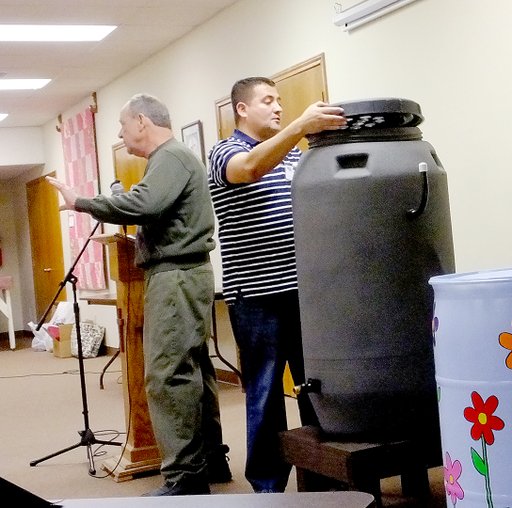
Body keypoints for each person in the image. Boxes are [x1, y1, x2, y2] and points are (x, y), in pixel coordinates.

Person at [47, 93, 231, 496]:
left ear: (143, 122)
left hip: (176, 277)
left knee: (168, 375)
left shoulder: (170, 157)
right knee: (193, 372)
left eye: (123, 124)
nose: (120, 132)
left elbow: (146, 203)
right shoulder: (172, 159)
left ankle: (185, 478)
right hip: (186, 274)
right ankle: (210, 461)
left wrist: (81, 202)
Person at [207, 77, 346, 493]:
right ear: (241, 110)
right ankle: (267, 487)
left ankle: (319, 477)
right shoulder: (224, 152)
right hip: (257, 299)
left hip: (304, 294)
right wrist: (302, 125)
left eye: (280, 101)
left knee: (314, 390)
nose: (278, 108)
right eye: (267, 101)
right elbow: (249, 169)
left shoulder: (291, 159)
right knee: (266, 396)